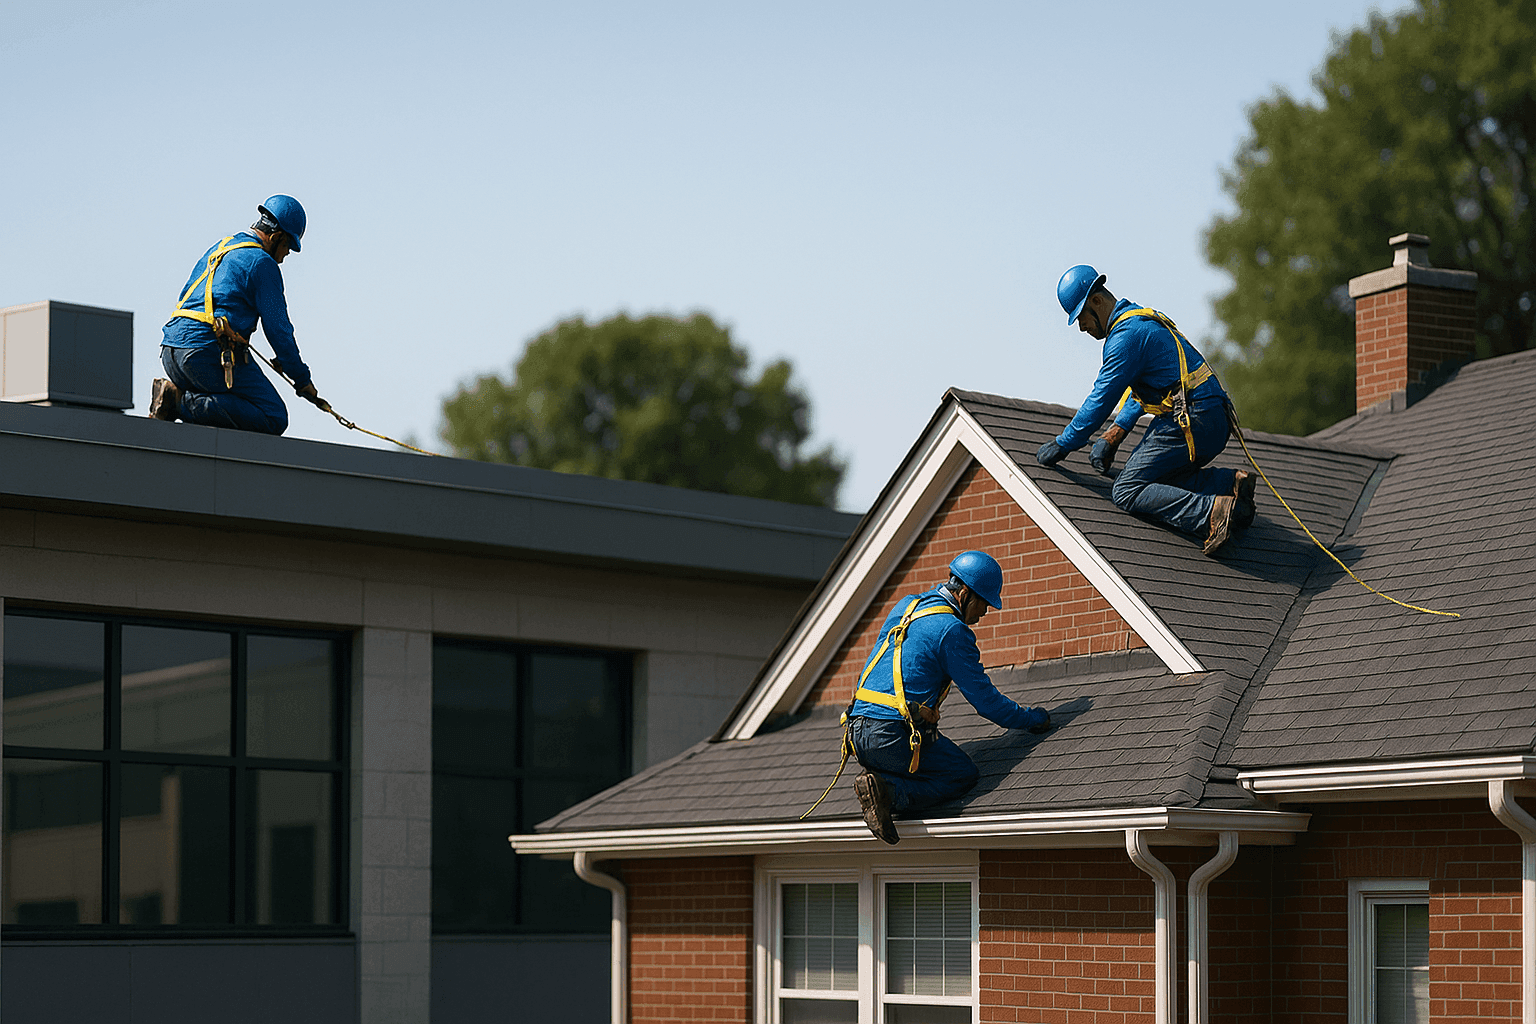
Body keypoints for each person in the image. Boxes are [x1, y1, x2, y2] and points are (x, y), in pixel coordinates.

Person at [1036, 265, 1257, 556]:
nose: (1081, 327)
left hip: (1192, 421)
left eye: (1081, 316)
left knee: (1127, 489)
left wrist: (1064, 444)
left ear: (1097, 302)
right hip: (1214, 419)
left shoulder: (1125, 338)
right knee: (1159, 481)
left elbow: (1101, 399)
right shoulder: (1141, 320)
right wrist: (1115, 434)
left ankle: (1212, 513)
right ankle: (1230, 485)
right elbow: (1147, 393)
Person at [848, 550, 1051, 845]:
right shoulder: (952, 631)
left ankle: (881, 779)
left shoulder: (908, 604)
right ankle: (887, 791)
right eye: (983, 603)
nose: (983, 614)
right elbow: (986, 703)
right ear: (965, 593)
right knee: (960, 774)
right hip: (890, 735)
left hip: (857, 734)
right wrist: (1033, 719)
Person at [150, 195, 319, 434]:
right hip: (205, 353)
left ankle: (180, 402)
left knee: (228, 410)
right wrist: (302, 379)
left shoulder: (222, 246)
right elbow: (279, 330)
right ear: (276, 237)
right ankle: (177, 401)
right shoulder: (262, 263)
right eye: (287, 247)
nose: (285, 257)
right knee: (272, 415)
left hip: (171, 352)